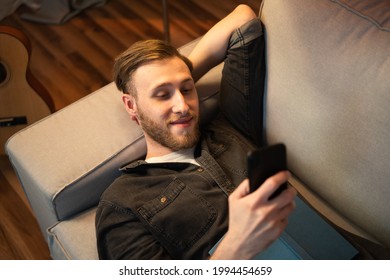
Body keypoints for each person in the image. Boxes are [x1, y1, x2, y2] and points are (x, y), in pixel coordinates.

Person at [95, 4, 297, 260]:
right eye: (162, 94)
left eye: (187, 90)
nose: (183, 106)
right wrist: (237, 245)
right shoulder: (123, 202)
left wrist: (180, 72)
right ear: (131, 105)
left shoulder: (230, 126)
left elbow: (244, 20)